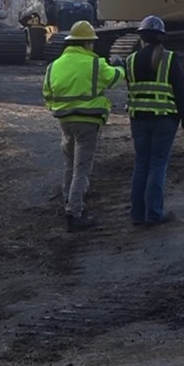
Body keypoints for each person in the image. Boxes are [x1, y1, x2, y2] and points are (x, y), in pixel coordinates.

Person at [43, 20, 124, 232]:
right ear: (87, 43)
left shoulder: (55, 65)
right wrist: (120, 66)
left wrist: (60, 108)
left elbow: (47, 94)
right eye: (92, 43)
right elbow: (114, 79)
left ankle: (67, 202)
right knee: (82, 168)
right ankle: (75, 213)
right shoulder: (95, 63)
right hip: (87, 123)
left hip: (64, 122)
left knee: (69, 164)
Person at [124, 15, 184, 227]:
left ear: (142, 38)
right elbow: (181, 93)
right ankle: (154, 214)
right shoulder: (169, 59)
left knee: (141, 164)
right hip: (164, 120)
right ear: (161, 37)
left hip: (139, 120)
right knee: (157, 166)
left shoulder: (131, 60)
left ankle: (137, 215)